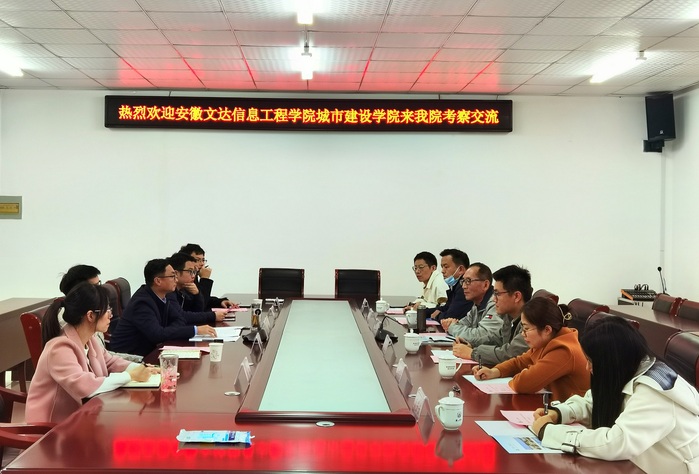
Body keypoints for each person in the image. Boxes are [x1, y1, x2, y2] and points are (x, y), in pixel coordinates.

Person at [532, 316, 699, 473]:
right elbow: (595, 402)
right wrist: (559, 413)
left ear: (611, 361)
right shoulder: (627, 370)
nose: (588, 368)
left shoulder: (654, 393)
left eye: (591, 361)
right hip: (637, 465)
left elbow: (615, 443)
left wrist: (549, 432)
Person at [26, 282, 155, 423]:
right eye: (107, 310)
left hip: (82, 417)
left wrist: (140, 368)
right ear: (90, 316)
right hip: (52, 427)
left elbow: (110, 361)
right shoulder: (59, 348)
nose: (110, 315)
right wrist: (129, 376)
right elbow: (84, 387)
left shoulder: (90, 339)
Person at [472, 297, 590, 401]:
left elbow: (523, 384)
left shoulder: (563, 350)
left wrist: (525, 373)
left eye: (526, 329)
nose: (523, 334)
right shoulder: (547, 340)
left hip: (571, 416)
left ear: (547, 330)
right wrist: (494, 371)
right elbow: (519, 362)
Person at [109, 258, 217, 357]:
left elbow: (180, 319)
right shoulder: (142, 303)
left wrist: (168, 330)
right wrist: (195, 330)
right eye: (172, 276)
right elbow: (157, 334)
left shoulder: (162, 296)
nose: (176, 280)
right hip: (130, 357)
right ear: (158, 281)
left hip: (150, 351)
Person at [453, 264, 531, 365]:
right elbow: (495, 339)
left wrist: (473, 353)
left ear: (516, 296)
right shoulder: (509, 317)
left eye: (498, 294)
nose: (494, 299)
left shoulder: (532, 321)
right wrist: (471, 345)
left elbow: (510, 354)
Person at [440, 263, 503, 347]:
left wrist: (451, 327)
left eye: (468, 281)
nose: (463, 286)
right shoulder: (476, 304)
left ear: (485, 285)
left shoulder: (495, 304)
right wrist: (452, 325)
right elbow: (463, 323)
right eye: (463, 281)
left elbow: (481, 336)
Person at [179, 243, 236, 309]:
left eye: (203, 260)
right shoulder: (184, 279)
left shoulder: (194, 277)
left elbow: (202, 299)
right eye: (198, 260)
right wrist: (205, 279)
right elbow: (201, 305)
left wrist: (220, 302)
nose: (202, 264)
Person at [427, 248, 473, 322]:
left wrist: (437, 316)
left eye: (446, 267)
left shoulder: (464, 288)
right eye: (442, 267)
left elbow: (450, 317)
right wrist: (422, 311)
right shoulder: (455, 286)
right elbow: (446, 308)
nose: (442, 271)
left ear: (460, 269)